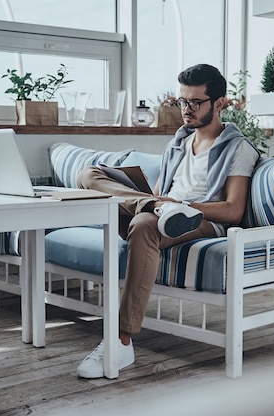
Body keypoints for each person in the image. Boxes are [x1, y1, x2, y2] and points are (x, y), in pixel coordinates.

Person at [75, 63, 260, 379]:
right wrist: (154, 201)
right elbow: (161, 192)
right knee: (88, 173)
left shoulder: (237, 148)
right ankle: (150, 206)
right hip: (160, 210)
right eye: (182, 101)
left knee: (145, 225)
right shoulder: (177, 143)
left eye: (195, 102)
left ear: (219, 103)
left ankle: (121, 340)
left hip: (195, 219)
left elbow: (233, 211)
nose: (186, 109)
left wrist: (182, 204)